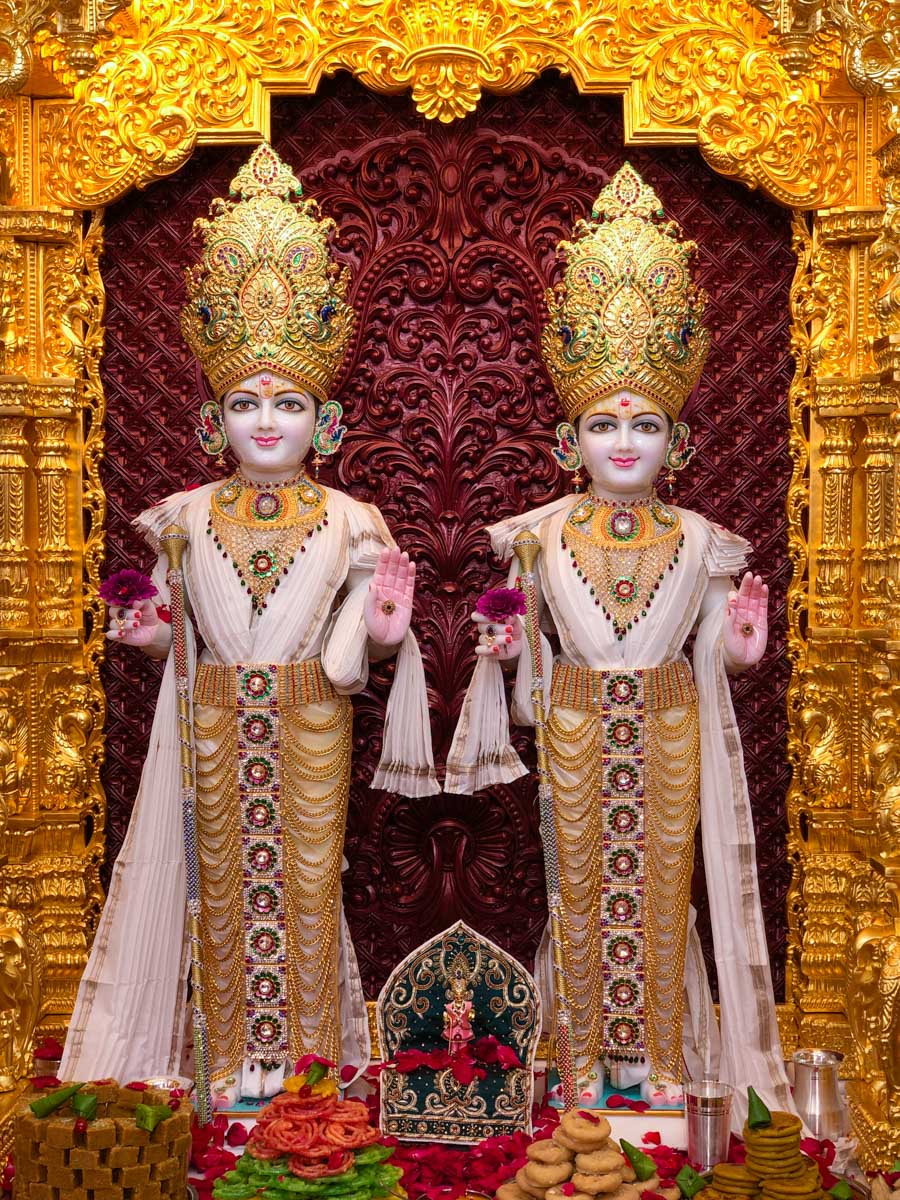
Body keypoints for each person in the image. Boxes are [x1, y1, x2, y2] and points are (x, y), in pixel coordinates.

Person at [60, 144, 438, 1108]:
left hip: (312, 728)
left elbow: (359, 653)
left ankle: (306, 1078)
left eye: (289, 403)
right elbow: (176, 634)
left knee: (308, 895)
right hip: (215, 726)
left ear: (327, 417)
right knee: (221, 898)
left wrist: (388, 625)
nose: (267, 421)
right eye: (245, 403)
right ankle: (230, 1074)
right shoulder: (182, 517)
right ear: (213, 417)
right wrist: (150, 635)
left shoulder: (353, 521)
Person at [446, 163, 792, 1125]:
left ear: (677, 439)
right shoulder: (537, 533)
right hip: (573, 727)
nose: (625, 441)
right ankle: (583, 1069)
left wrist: (745, 644)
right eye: (604, 424)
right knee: (584, 896)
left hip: (671, 730)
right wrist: (509, 651)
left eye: (646, 424)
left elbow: (716, 659)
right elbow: (523, 665)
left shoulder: (706, 540)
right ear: (571, 441)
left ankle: (664, 1068)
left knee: (658, 897)